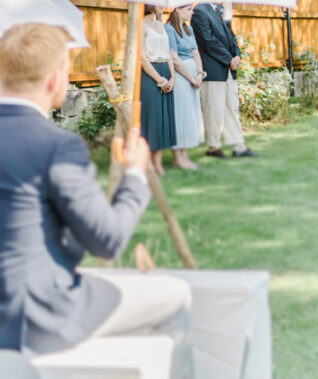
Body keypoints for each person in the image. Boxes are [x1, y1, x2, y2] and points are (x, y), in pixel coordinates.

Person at [0, 24, 193, 377]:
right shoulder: (56, 145)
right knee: (176, 295)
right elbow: (106, 240)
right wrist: (134, 175)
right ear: (56, 80)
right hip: (36, 319)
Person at [190, 2, 256, 159]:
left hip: (229, 69)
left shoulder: (221, 9)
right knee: (213, 109)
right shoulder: (200, 11)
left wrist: (237, 55)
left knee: (232, 107)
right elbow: (207, 41)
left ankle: (239, 145)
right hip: (213, 68)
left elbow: (231, 34)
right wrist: (228, 59)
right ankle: (213, 147)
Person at [139, 5, 176, 175]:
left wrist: (172, 77)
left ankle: (158, 161)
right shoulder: (140, 26)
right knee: (152, 117)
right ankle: (147, 162)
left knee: (163, 118)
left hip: (165, 70)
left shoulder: (161, 26)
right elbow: (142, 58)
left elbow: (168, 53)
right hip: (150, 74)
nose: (163, 6)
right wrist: (160, 80)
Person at [166, 5, 203, 171]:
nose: (192, 12)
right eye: (189, 9)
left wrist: (200, 74)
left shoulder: (189, 29)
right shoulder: (169, 29)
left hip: (194, 76)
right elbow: (173, 58)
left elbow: (195, 53)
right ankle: (178, 157)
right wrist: (191, 78)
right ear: (177, 10)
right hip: (181, 77)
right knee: (181, 115)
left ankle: (185, 155)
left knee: (190, 114)